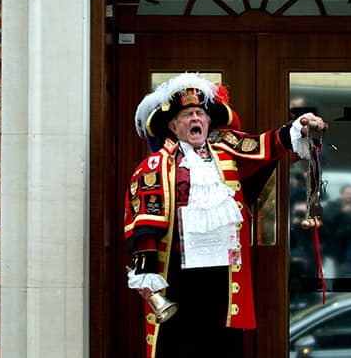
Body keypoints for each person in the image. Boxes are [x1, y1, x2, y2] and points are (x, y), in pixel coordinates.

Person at [123, 73, 327, 358]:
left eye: (200, 113)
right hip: (179, 274)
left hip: (223, 273)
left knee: (224, 343)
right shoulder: (156, 165)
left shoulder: (226, 152)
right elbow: (145, 222)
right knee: (181, 345)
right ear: (173, 125)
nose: (196, 118)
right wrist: (146, 273)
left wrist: (297, 129)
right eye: (187, 115)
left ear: (208, 122)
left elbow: (263, 145)